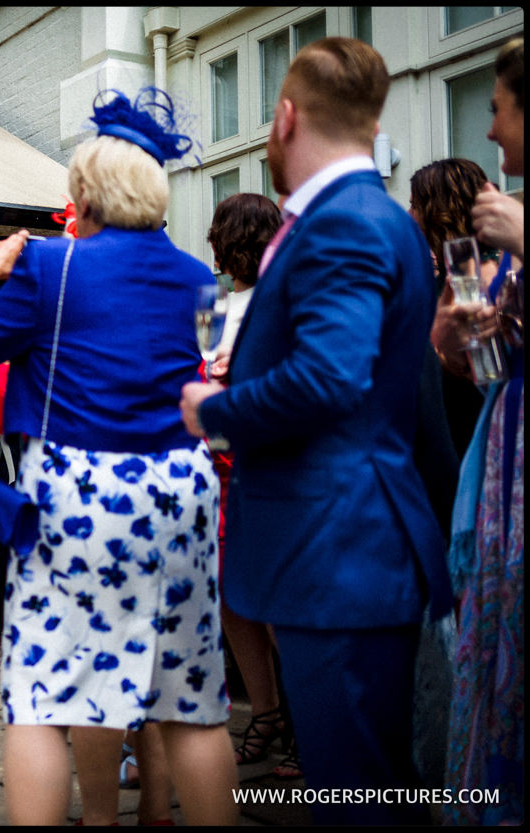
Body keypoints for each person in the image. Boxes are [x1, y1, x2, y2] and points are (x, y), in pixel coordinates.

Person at [179, 38, 452, 825]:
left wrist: (216, 409)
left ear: (287, 117)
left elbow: (333, 377)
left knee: (357, 793)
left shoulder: (344, 224)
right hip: (347, 543)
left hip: (338, 549)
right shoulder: (372, 214)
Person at [0, 87, 238, 826]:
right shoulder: (199, 279)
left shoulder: (51, 265)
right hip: (180, 486)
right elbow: (202, 370)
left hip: (80, 492)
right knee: (192, 701)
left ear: (87, 191)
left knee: (44, 695)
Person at [439, 35, 523, 826]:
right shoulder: (492, 246)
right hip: (504, 450)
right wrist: (469, 328)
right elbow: (490, 367)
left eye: (496, 110)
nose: (491, 131)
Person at [202, 194, 298, 774]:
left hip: (264, 464)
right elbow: (196, 360)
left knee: (276, 599)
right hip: (213, 465)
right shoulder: (210, 300)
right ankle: (264, 711)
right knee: (231, 595)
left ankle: (304, 723)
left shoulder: (282, 300)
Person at [411, 158, 498, 459]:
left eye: (415, 205)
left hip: (470, 436)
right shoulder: (446, 275)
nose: (410, 216)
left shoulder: (472, 276)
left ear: (438, 209)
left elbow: (485, 372)